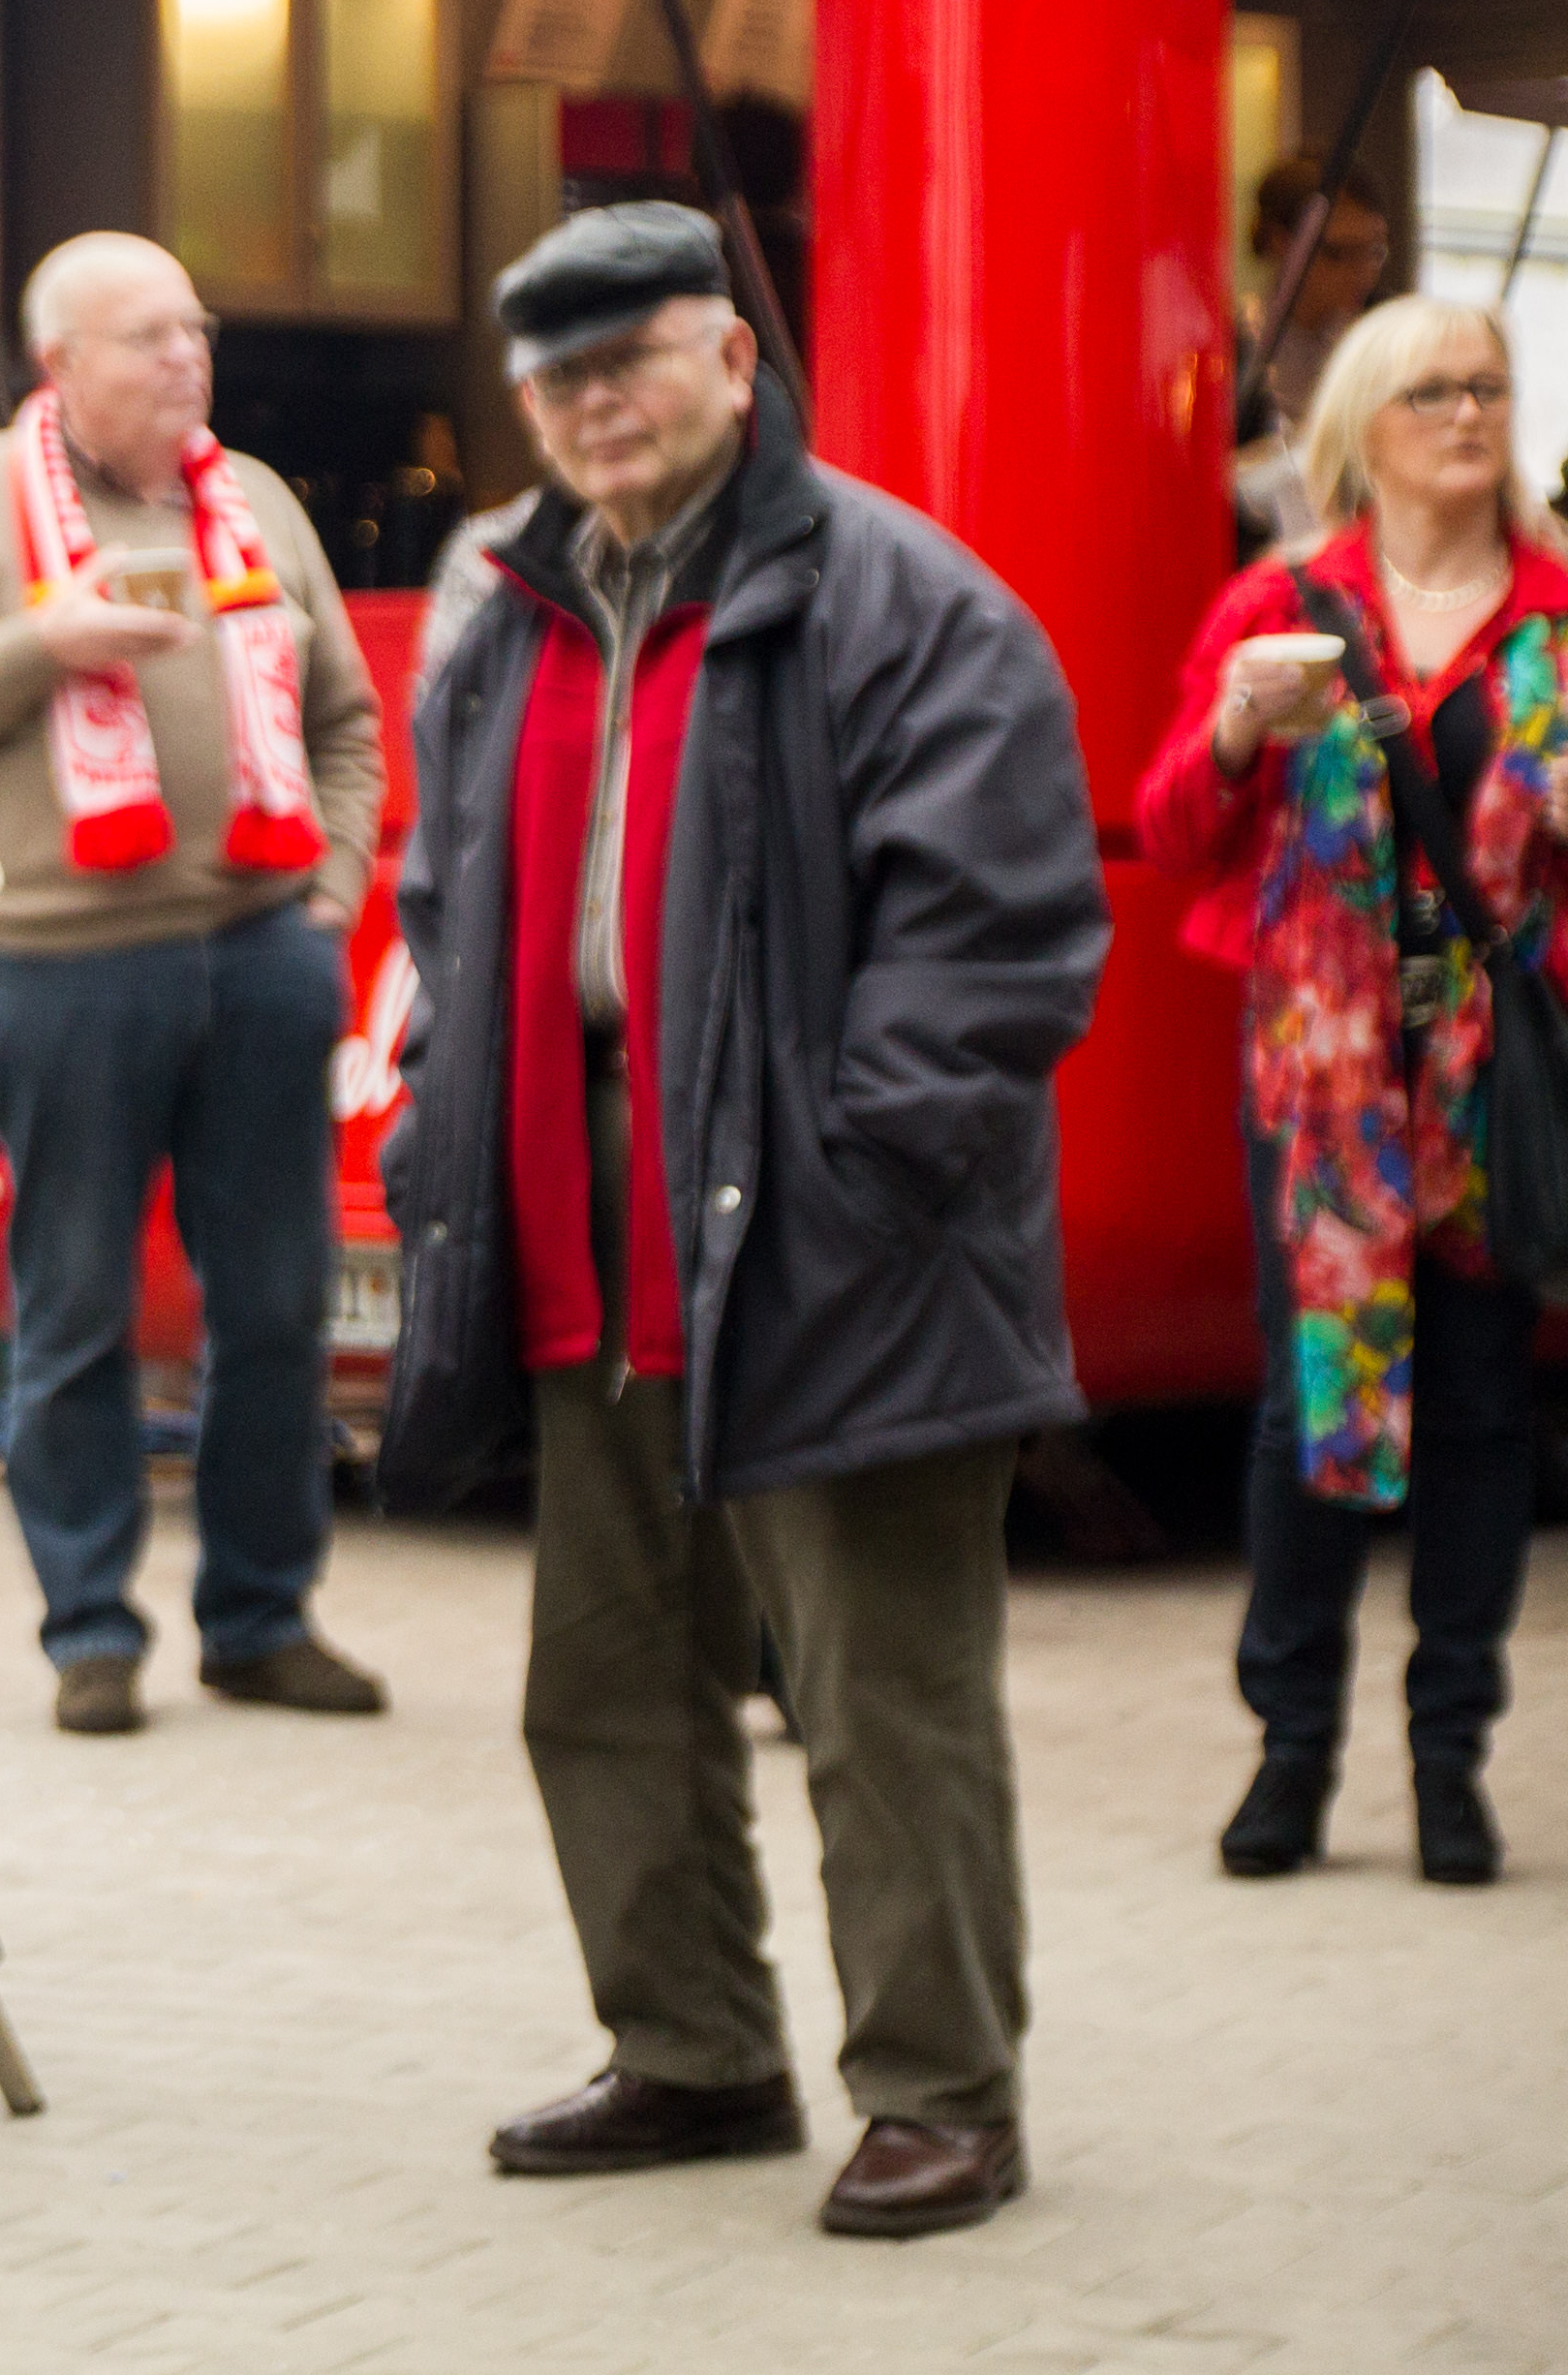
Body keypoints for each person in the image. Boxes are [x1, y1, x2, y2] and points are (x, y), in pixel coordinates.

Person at [384, 203, 1105, 2243]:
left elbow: (996, 935)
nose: (593, 403)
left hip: (835, 1224)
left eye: (630, 358)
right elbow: (449, 898)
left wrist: (861, 1165)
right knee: (603, 1676)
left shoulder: (900, 598)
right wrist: (441, 1107)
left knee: (880, 1696)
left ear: (728, 358)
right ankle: (690, 2050)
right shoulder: (506, 608)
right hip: (579, 1203)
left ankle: (941, 2092)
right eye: (556, 376)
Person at [0, 229, 387, 1735]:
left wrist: (334, 896)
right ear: (61, 364)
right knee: (77, 1307)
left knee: (277, 1307)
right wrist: (46, 640)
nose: (184, 358)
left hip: (263, 954)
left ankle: (261, 1621)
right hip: (59, 968)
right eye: (147, 337)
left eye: (194, 328)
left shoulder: (255, 501)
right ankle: (90, 1630)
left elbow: (345, 721)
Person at [1140, 295, 1561, 1890]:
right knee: (1309, 1406)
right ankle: (1290, 1750)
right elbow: (1169, 829)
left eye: (1487, 389)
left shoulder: (1556, 615)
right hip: (1320, 1073)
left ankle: (1448, 1758)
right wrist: (1237, 725)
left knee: (1478, 1412)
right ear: (1360, 426)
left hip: (1490, 1074)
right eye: (1431, 391)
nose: (1467, 415)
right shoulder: (1281, 606)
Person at [1235, 159, 1393, 554]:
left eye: (1373, 251)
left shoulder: (1384, 340)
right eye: (1338, 253)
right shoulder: (1235, 344)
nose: (1363, 272)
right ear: (1280, 243)